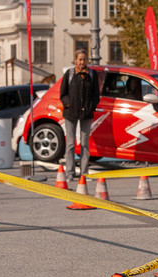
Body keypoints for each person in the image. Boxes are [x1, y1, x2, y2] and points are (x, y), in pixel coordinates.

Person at [59, 49, 100, 182]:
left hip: (86, 113)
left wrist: (91, 106)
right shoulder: (70, 73)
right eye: (80, 59)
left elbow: (96, 95)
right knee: (70, 144)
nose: (82, 62)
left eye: (84, 59)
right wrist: (68, 105)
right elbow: (63, 94)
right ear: (75, 60)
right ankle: (70, 172)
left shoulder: (92, 74)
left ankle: (84, 173)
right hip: (71, 113)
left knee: (84, 144)